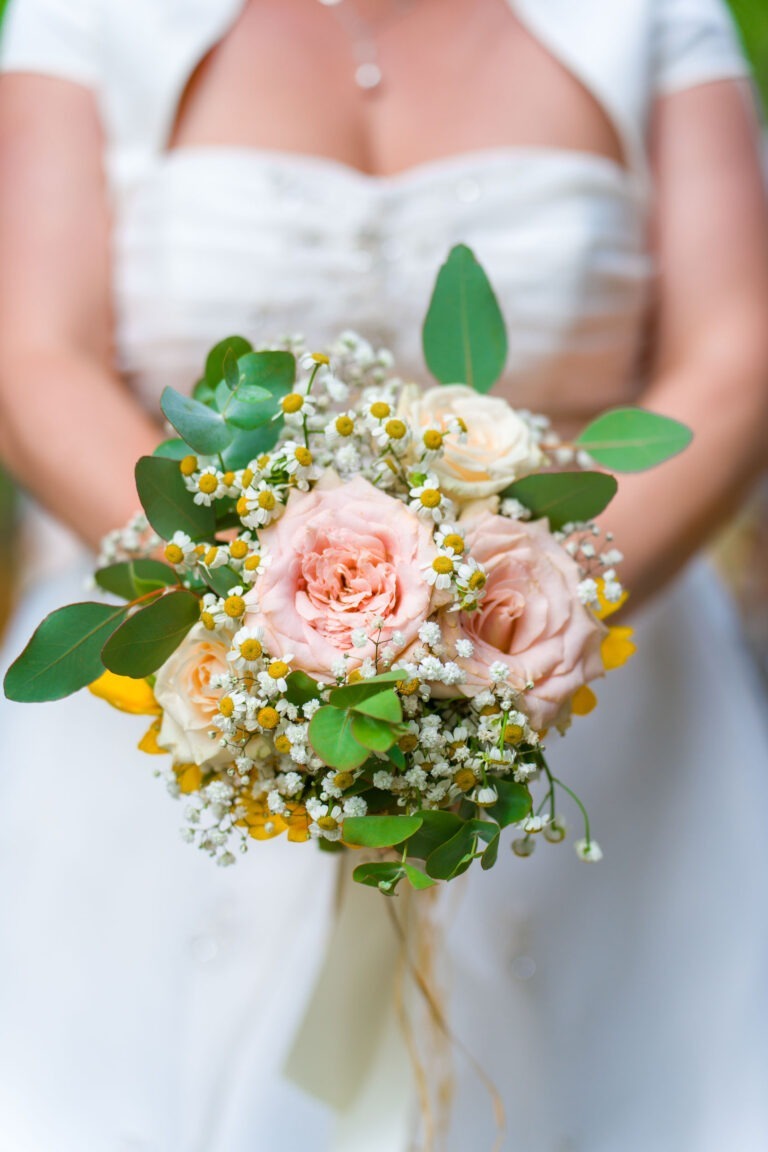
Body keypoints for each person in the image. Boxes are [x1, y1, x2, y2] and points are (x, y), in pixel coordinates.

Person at [1, 1, 767, 1149]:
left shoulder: (652, 15)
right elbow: (33, 351)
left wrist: (521, 632)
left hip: (585, 691)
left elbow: (738, 351)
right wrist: (264, 627)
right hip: (184, 695)